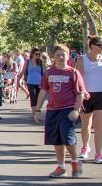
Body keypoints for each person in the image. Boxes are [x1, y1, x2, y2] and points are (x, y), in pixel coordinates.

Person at [34, 45, 88, 178]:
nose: (60, 57)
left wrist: (76, 109)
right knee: (56, 140)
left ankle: (76, 163)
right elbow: (43, 91)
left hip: (67, 109)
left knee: (67, 137)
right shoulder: (49, 73)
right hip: (52, 110)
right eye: (58, 55)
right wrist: (37, 109)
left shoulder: (73, 73)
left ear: (68, 56)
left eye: (63, 54)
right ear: (53, 57)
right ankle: (61, 166)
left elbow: (80, 93)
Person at [75, 36, 102, 163]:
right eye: (101, 46)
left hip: (101, 94)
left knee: (99, 126)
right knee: (86, 125)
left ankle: (98, 154)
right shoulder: (82, 59)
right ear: (92, 46)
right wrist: (82, 92)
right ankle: (85, 147)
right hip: (86, 95)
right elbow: (78, 79)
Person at [23, 49, 45, 119]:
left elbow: (44, 71)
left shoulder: (41, 62)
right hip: (30, 82)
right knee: (33, 97)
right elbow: (23, 71)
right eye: (36, 54)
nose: (38, 56)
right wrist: (18, 78)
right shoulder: (28, 62)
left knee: (38, 97)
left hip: (39, 82)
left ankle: (37, 112)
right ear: (32, 54)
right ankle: (33, 113)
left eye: (39, 54)